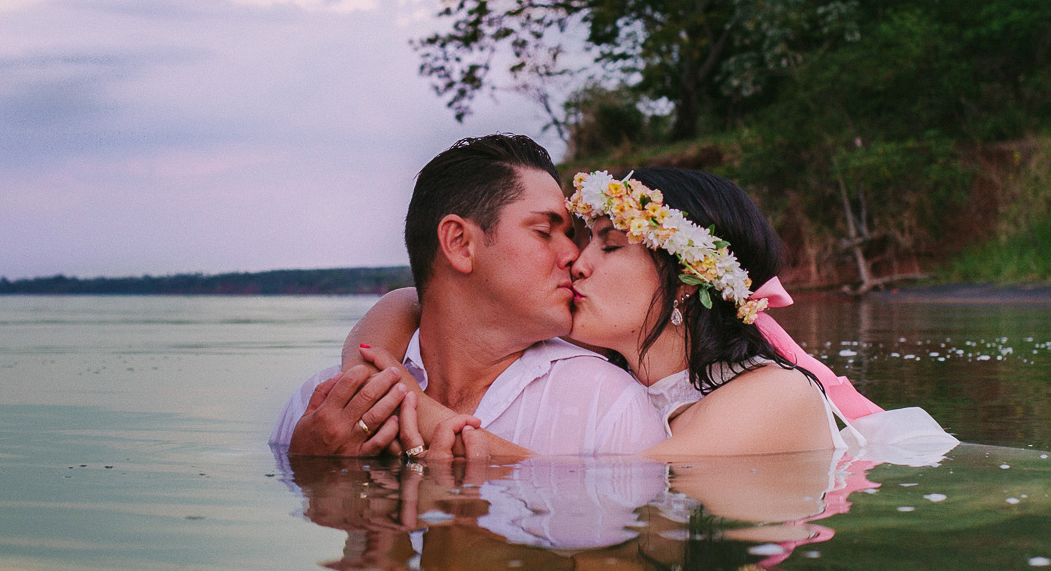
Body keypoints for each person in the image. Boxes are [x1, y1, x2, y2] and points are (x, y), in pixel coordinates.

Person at [354, 167, 958, 458]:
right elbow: (420, 302)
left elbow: (613, 484)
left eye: (610, 246)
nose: (578, 264)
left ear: (681, 284)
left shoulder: (773, 396)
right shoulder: (609, 371)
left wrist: (415, 405)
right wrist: (385, 339)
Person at [270, 135, 665, 456]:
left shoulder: (607, 408)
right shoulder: (321, 406)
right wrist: (310, 466)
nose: (572, 255)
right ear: (459, 243)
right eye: (545, 232)